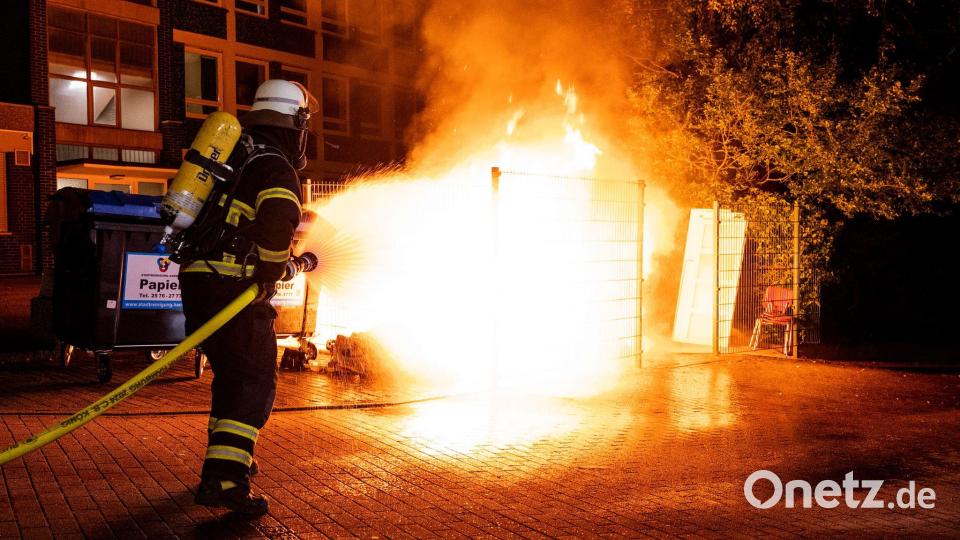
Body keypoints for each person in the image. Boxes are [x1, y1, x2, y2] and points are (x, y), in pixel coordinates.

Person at [178, 80, 315, 516]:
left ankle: (229, 460)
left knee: (232, 377)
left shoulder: (238, 154)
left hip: (199, 282)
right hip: (232, 287)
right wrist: (276, 269)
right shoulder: (276, 166)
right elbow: (277, 227)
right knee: (255, 380)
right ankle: (223, 481)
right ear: (296, 124)